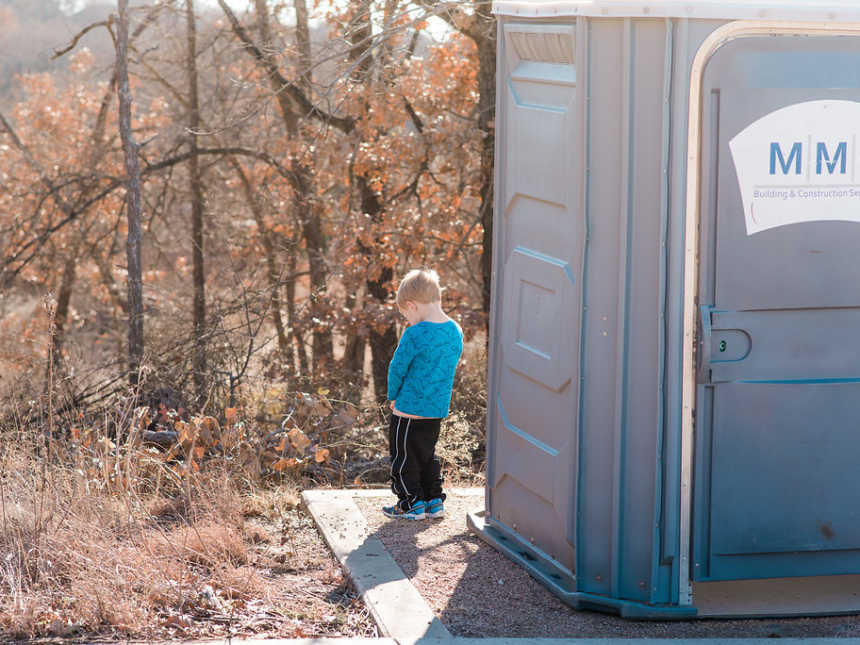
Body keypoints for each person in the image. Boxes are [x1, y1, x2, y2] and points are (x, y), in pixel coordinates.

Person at [384, 268, 463, 520]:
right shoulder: (455, 331)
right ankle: (433, 501)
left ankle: (410, 503)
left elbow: (397, 367)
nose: (408, 319)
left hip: (408, 408)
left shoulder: (415, 334)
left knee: (403, 457)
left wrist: (392, 395)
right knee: (427, 456)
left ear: (412, 305)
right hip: (436, 408)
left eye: (406, 314)